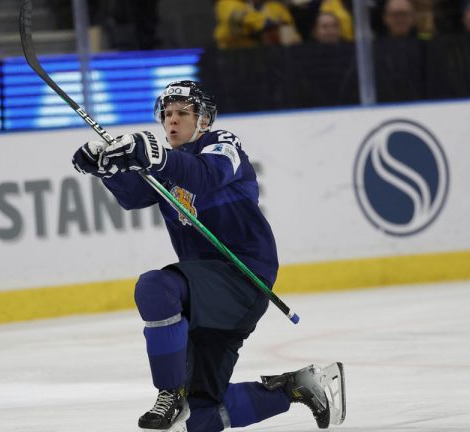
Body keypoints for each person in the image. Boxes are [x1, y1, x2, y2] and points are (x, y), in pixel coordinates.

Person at [71, 80, 345, 431]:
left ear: (204, 120)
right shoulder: (168, 164)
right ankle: (299, 387)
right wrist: (106, 168)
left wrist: (155, 156)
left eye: (183, 113)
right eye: (167, 114)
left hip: (242, 277)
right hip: (209, 296)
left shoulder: (223, 145)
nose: (173, 121)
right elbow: (134, 196)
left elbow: (205, 175)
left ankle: (169, 394)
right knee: (203, 416)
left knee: (156, 287)